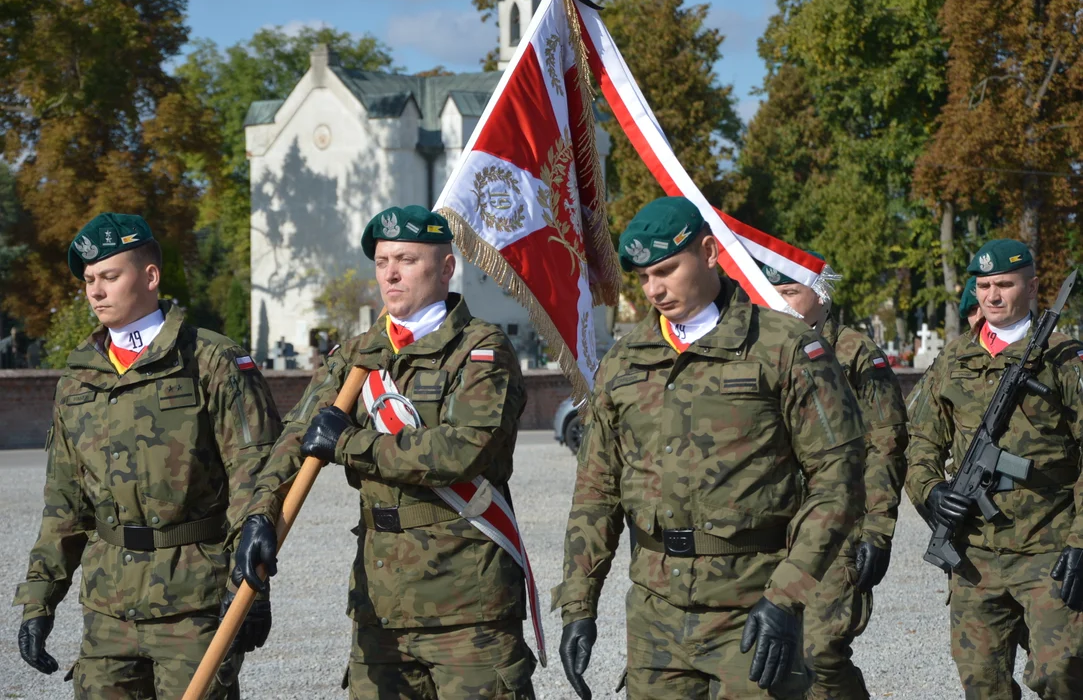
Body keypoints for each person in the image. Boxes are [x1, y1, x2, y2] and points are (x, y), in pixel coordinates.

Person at [553, 197, 866, 699]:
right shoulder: (625, 362)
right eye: (643, 277)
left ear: (709, 252)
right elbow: (596, 492)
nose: (654, 289)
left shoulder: (783, 347)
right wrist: (578, 606)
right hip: (655, 619)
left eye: (666, 270)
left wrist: (787, 596)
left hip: (753, 609)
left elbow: (839, 482)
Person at [255, 205, 535, 699]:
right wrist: (259, 515)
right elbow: (297, 435)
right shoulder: (358, 353)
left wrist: (349, 443)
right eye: (382, 261)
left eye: (405, 259)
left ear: (446, 268)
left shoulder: (481, 350)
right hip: (379, 602)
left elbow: (461, 450)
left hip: (466, 603)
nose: (390, 273)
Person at [13, 213, 284, 698]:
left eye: (110, 276)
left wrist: (252, 585)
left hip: (193, 608)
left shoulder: (210, 361)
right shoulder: (79, 380)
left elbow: (256, 477)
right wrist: (39, 600)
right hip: (107, 614)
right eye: (89, 280)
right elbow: (63, 507)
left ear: (151, 277)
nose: (96, 291)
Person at [906, 239, 1083, 698]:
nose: (992, 296)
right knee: (983, 684)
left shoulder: (1064, 357)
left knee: (1060, 671)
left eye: (1004, 284)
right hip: (974, 555)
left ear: (1032, 286)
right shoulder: (954, 358)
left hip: (1048, 549)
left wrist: (1081, 541)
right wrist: (931, 491)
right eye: (983, 285)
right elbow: (922, 441)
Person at [762, 256, 908, 699]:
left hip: (835, 529)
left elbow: (886, 444)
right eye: (773, 293)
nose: (778, 302)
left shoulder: (854, 353)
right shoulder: (759, 352)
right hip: (769, 528)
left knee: (820, 650)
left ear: (820, 297)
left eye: (789, 292)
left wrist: (878, 530)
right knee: (769, 652)